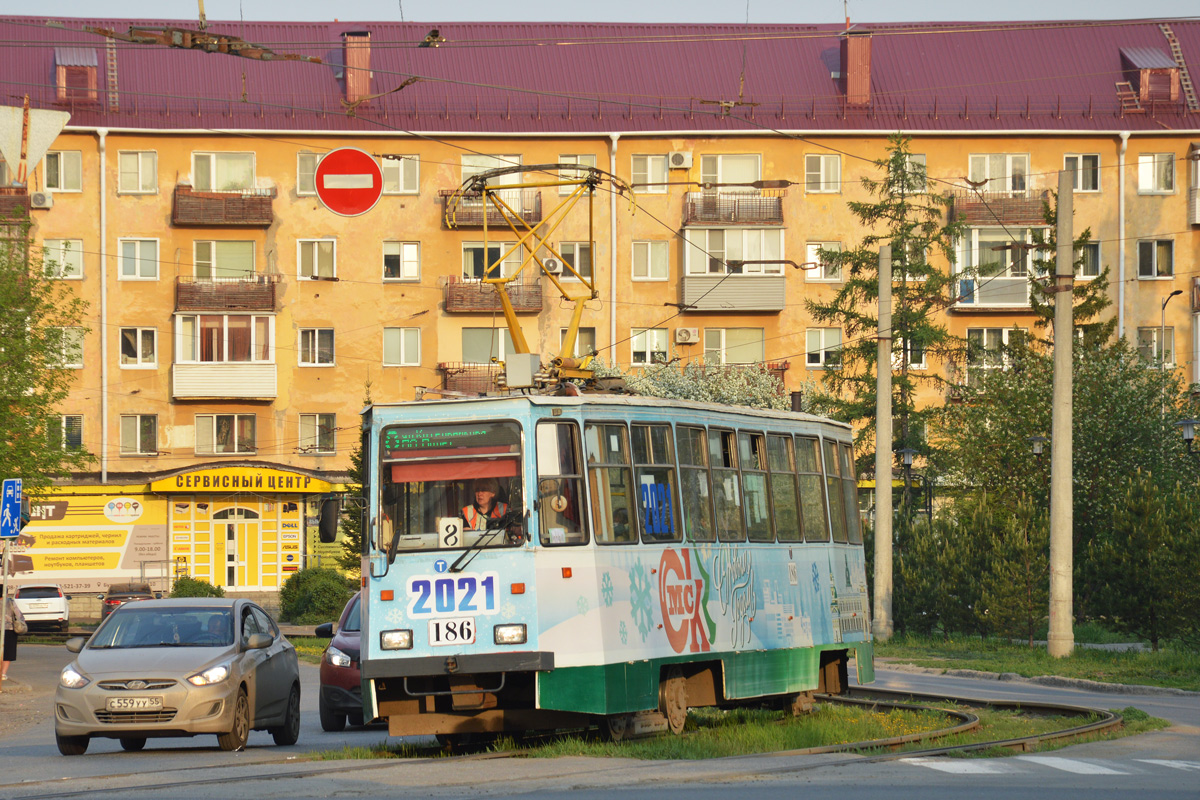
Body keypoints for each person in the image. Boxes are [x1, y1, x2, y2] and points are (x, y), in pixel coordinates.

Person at [2, 593, 26, 684]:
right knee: (8, 652)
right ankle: (3, 673)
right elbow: (18, 615)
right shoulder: (10, 602)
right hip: (9, 629)